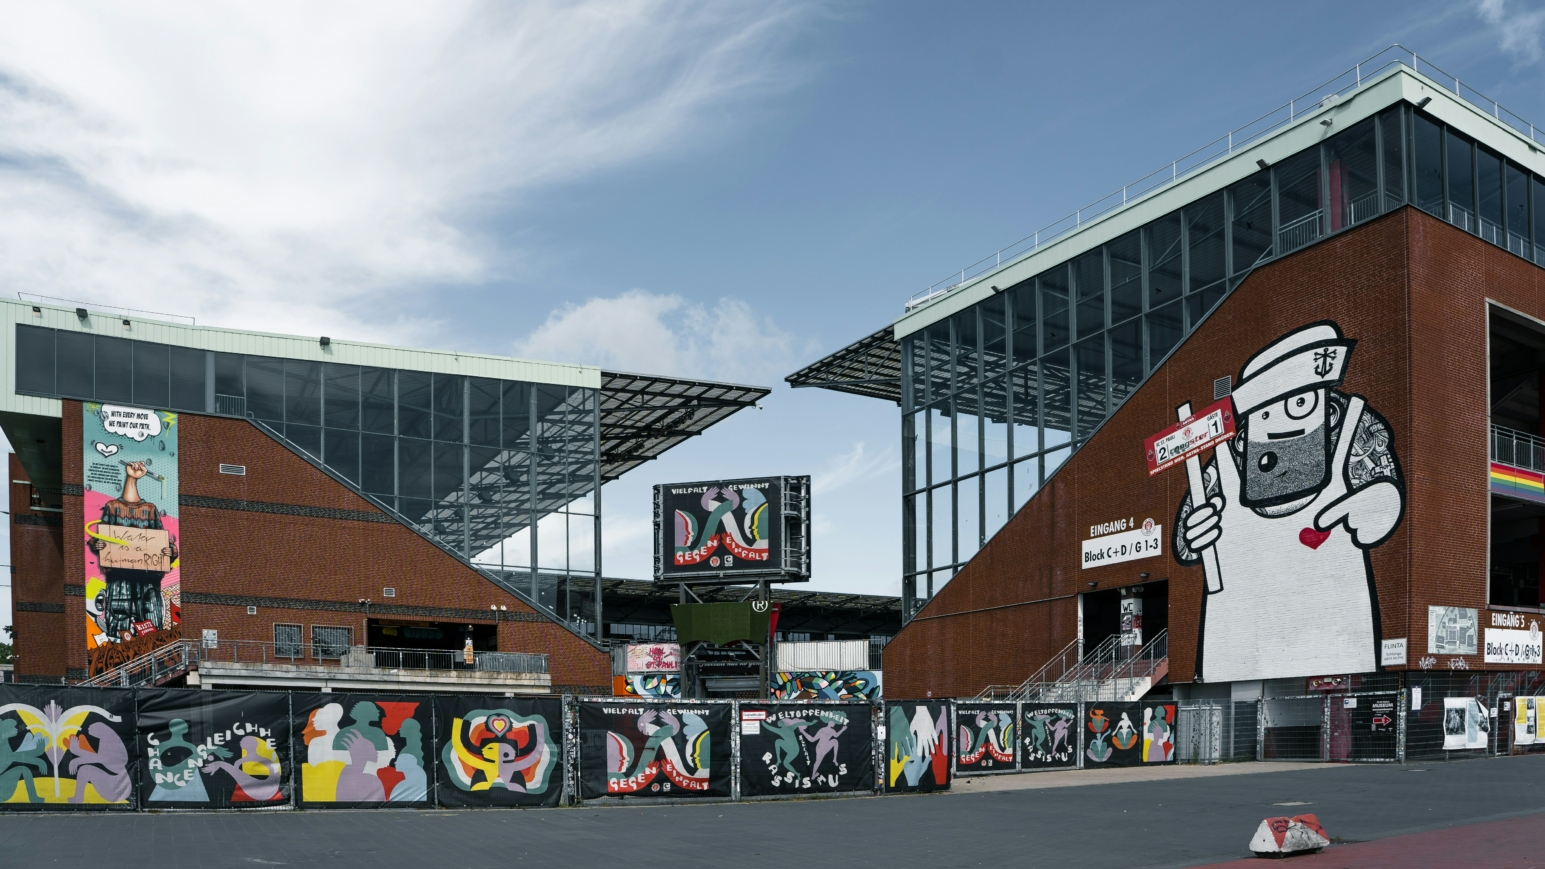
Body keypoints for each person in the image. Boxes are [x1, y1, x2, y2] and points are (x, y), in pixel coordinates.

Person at [1175, 322, 1403, 683]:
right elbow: (1185, 542)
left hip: (1341, 652)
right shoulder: (1225, 462)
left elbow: (1384, 488)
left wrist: (1382, 506)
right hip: (1235, 656)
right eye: (1265, 412)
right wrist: (1193, 535)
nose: (1282, 425)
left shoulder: (1352, 434)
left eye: (1300, 403)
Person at [68, 722, 130, 803]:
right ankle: (78, 798)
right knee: (85, 770)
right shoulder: (106, 740)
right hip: (115, 784)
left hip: (117, 789)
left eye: (91, 729)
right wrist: (77, 753)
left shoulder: (111, 743)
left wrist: (77, 754)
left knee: (85, 770)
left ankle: (78, 798)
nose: (89, 731)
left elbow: (101, 758)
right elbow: (99, 758)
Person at [0, 719, 46, 803]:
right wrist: (38, 760)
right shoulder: (2, 746)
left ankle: (33, 798)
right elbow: (14, 756)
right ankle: (33, 798)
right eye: (12, 728)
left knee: (23, 769)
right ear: (4, 731)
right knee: (24, 769)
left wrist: (36, 752)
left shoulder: (4, 743)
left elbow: (15, 755)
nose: (15, 729)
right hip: (2, 789)